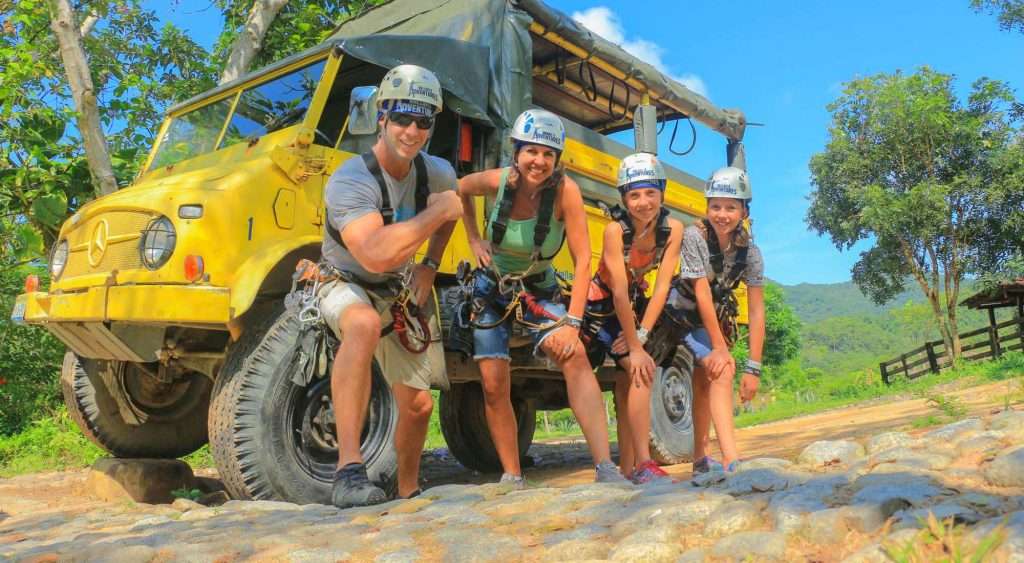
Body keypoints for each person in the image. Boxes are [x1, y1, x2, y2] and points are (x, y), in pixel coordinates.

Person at [320, 64, 462, 508]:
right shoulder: (351, 179)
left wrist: (430, 266)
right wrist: (436, 215)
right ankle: (348, 470)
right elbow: (375, 254)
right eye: (402, 118)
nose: (412, 130)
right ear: (382, 117)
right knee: (360, 324)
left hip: (397, 289)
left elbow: (454, 208)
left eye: (423, 121)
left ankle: (407, 491)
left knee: (418, 406)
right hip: (344, 279)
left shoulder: (435, 172)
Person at [458, 108, 625, 484]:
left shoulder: (565, 192)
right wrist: (473, 238)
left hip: (537, 288)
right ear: (516, 152)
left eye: (548, 154)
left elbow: (584, 261)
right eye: (532, 151)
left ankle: (605, 467)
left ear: (557, 159)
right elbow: (462, 188)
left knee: (575, 354)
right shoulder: (499, 181)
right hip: (492, 290)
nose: (539, 161)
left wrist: (572, 322)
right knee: (493, 384)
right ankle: (512, 475)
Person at [582, 152, 683, 484]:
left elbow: (663, 285)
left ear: (662, 193)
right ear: (624, 199)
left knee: (632, 380)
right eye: (635, 194)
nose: (643, 202)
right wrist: (636, 345)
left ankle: (630, 467)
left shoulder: (672, 230)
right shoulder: (615, 231)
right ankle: (641, 463)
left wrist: (641, 334)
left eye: (650, 192)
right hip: (601, 309)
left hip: (635, 309)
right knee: (638, 368)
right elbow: (619, 291)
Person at [675, 165, 765, 473]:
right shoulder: (693, 237)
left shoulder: (750, 253)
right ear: (706, 207)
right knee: (723, 368)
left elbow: (756, 311)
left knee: (706, 380)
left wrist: (754, 366)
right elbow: (700, 293)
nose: (722, 214)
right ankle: (731, 460)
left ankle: (701, 460)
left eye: (730, 207)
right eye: (715, 206)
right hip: (683, 318)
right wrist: (720, 348)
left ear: (744, 210)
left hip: (710, 319)